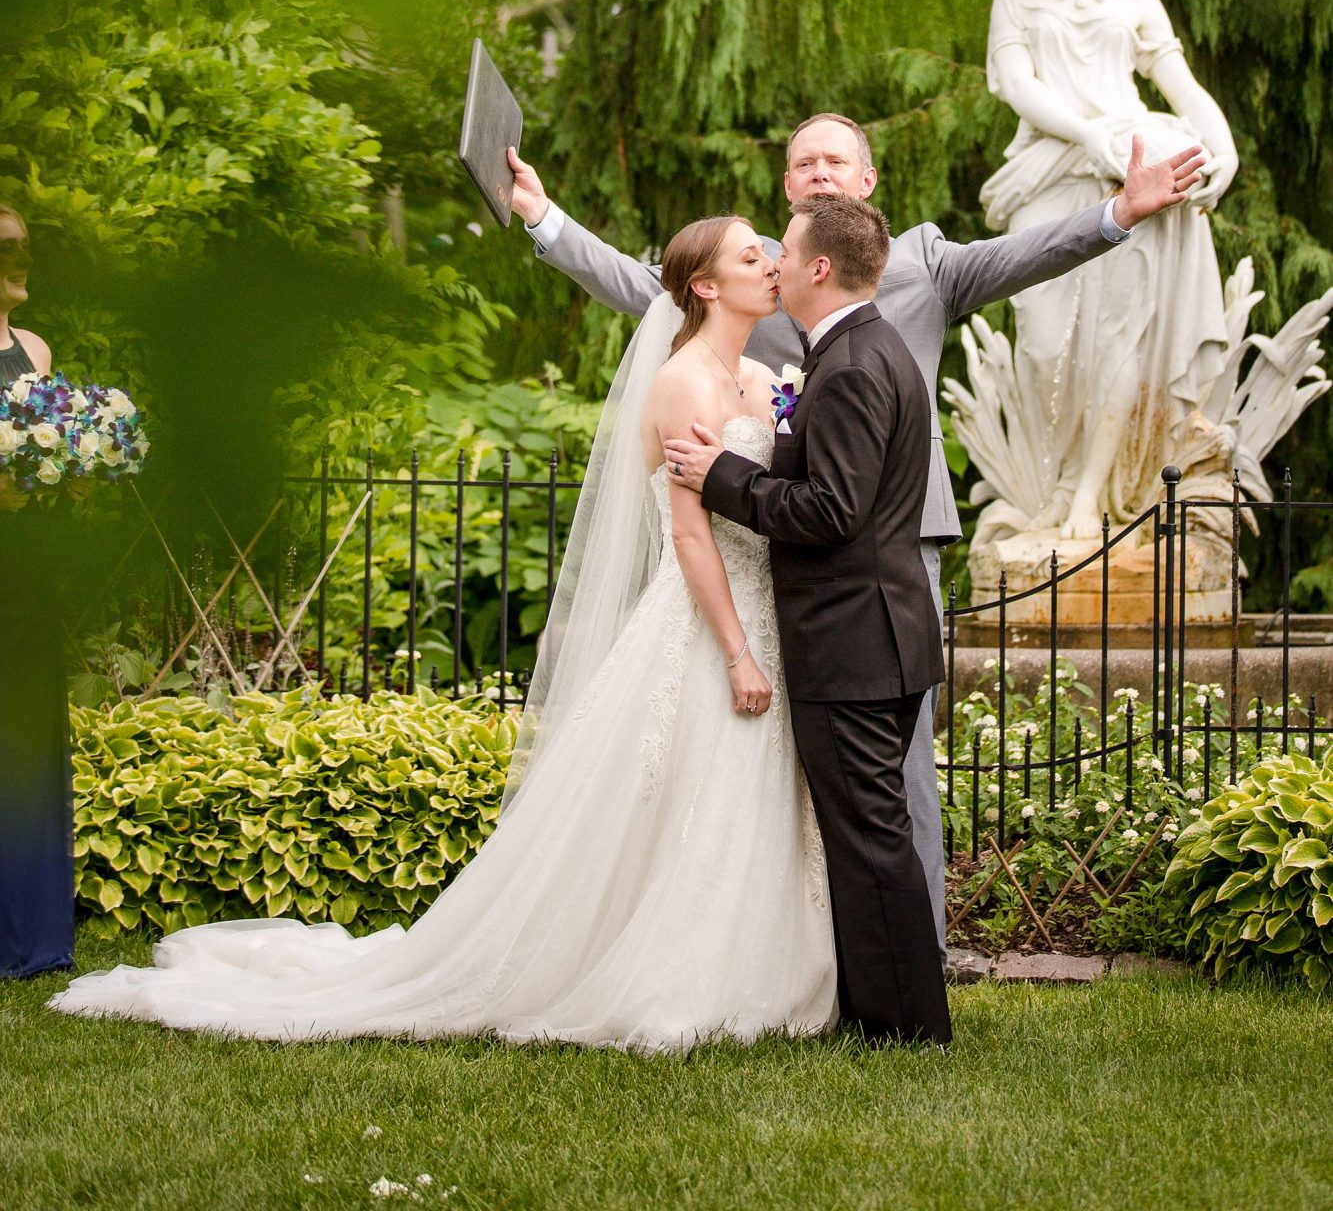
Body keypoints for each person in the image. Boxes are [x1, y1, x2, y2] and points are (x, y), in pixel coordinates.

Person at [51, 216, 839, 1047]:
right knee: (688, 793)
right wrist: (736, 649)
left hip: (766, 608)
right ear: (707, 286)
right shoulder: (684, 382)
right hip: (708, 625)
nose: (774, 264)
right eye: (753, 255)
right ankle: (679, 979)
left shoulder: (761, 376)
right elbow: (686, 537)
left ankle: (770, 971)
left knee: (745, 797)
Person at [505, 112, 1205, 958]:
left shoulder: (924, 264)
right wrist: (546, 220)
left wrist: (1118, 212)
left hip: (891, 546)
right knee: (772, 757)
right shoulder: (756, 271)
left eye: (835, 159)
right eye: (803, 163)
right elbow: (642, 284)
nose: (819, 172)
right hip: (769, 546)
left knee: (897, 761)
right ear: (787, 188)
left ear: (867, 181)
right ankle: (797, 952)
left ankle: (922, 951)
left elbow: (1025, 256)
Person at [666, 195, 951, 1045]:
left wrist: (723, 475)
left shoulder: (854, 365)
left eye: (782, 253)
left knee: (867, 837)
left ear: (818, 268)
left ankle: (904, 1026)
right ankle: (882, 1011)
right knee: (868, 831)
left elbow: (831, 512)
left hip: (854, 639)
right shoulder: (859, 350)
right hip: (878, 632)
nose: (775, 263)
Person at [980, 0, 1237, 535]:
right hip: (1049, 166)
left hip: (1132, 168)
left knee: (1117, 341)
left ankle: (1091, 494)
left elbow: (1180, 89)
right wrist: (1085, 133)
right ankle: (1057, 484)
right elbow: (1015, 82)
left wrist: (1224, 145)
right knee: (1040, 341)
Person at [0, 203, 74, 981]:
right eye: (6, 247)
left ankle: (30, 935)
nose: (21, 257)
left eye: (25, 243)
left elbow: (44, 458)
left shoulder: (35, 349)